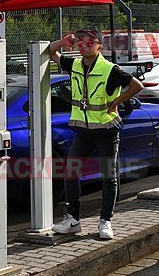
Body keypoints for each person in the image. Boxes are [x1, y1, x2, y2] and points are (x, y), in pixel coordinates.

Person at [49, 28, 143, 240]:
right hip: (83, 132)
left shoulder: (110, 69)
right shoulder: (74, 65)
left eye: (89, 41)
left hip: (106, 132)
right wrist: (63, 41)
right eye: (80, 41)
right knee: (71, 172)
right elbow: (50, 52)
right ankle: (72, 219)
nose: (83, 44)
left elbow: (137, 85)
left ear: (99, 46)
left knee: (108, 176)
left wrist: (117, 102)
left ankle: (105, 221)